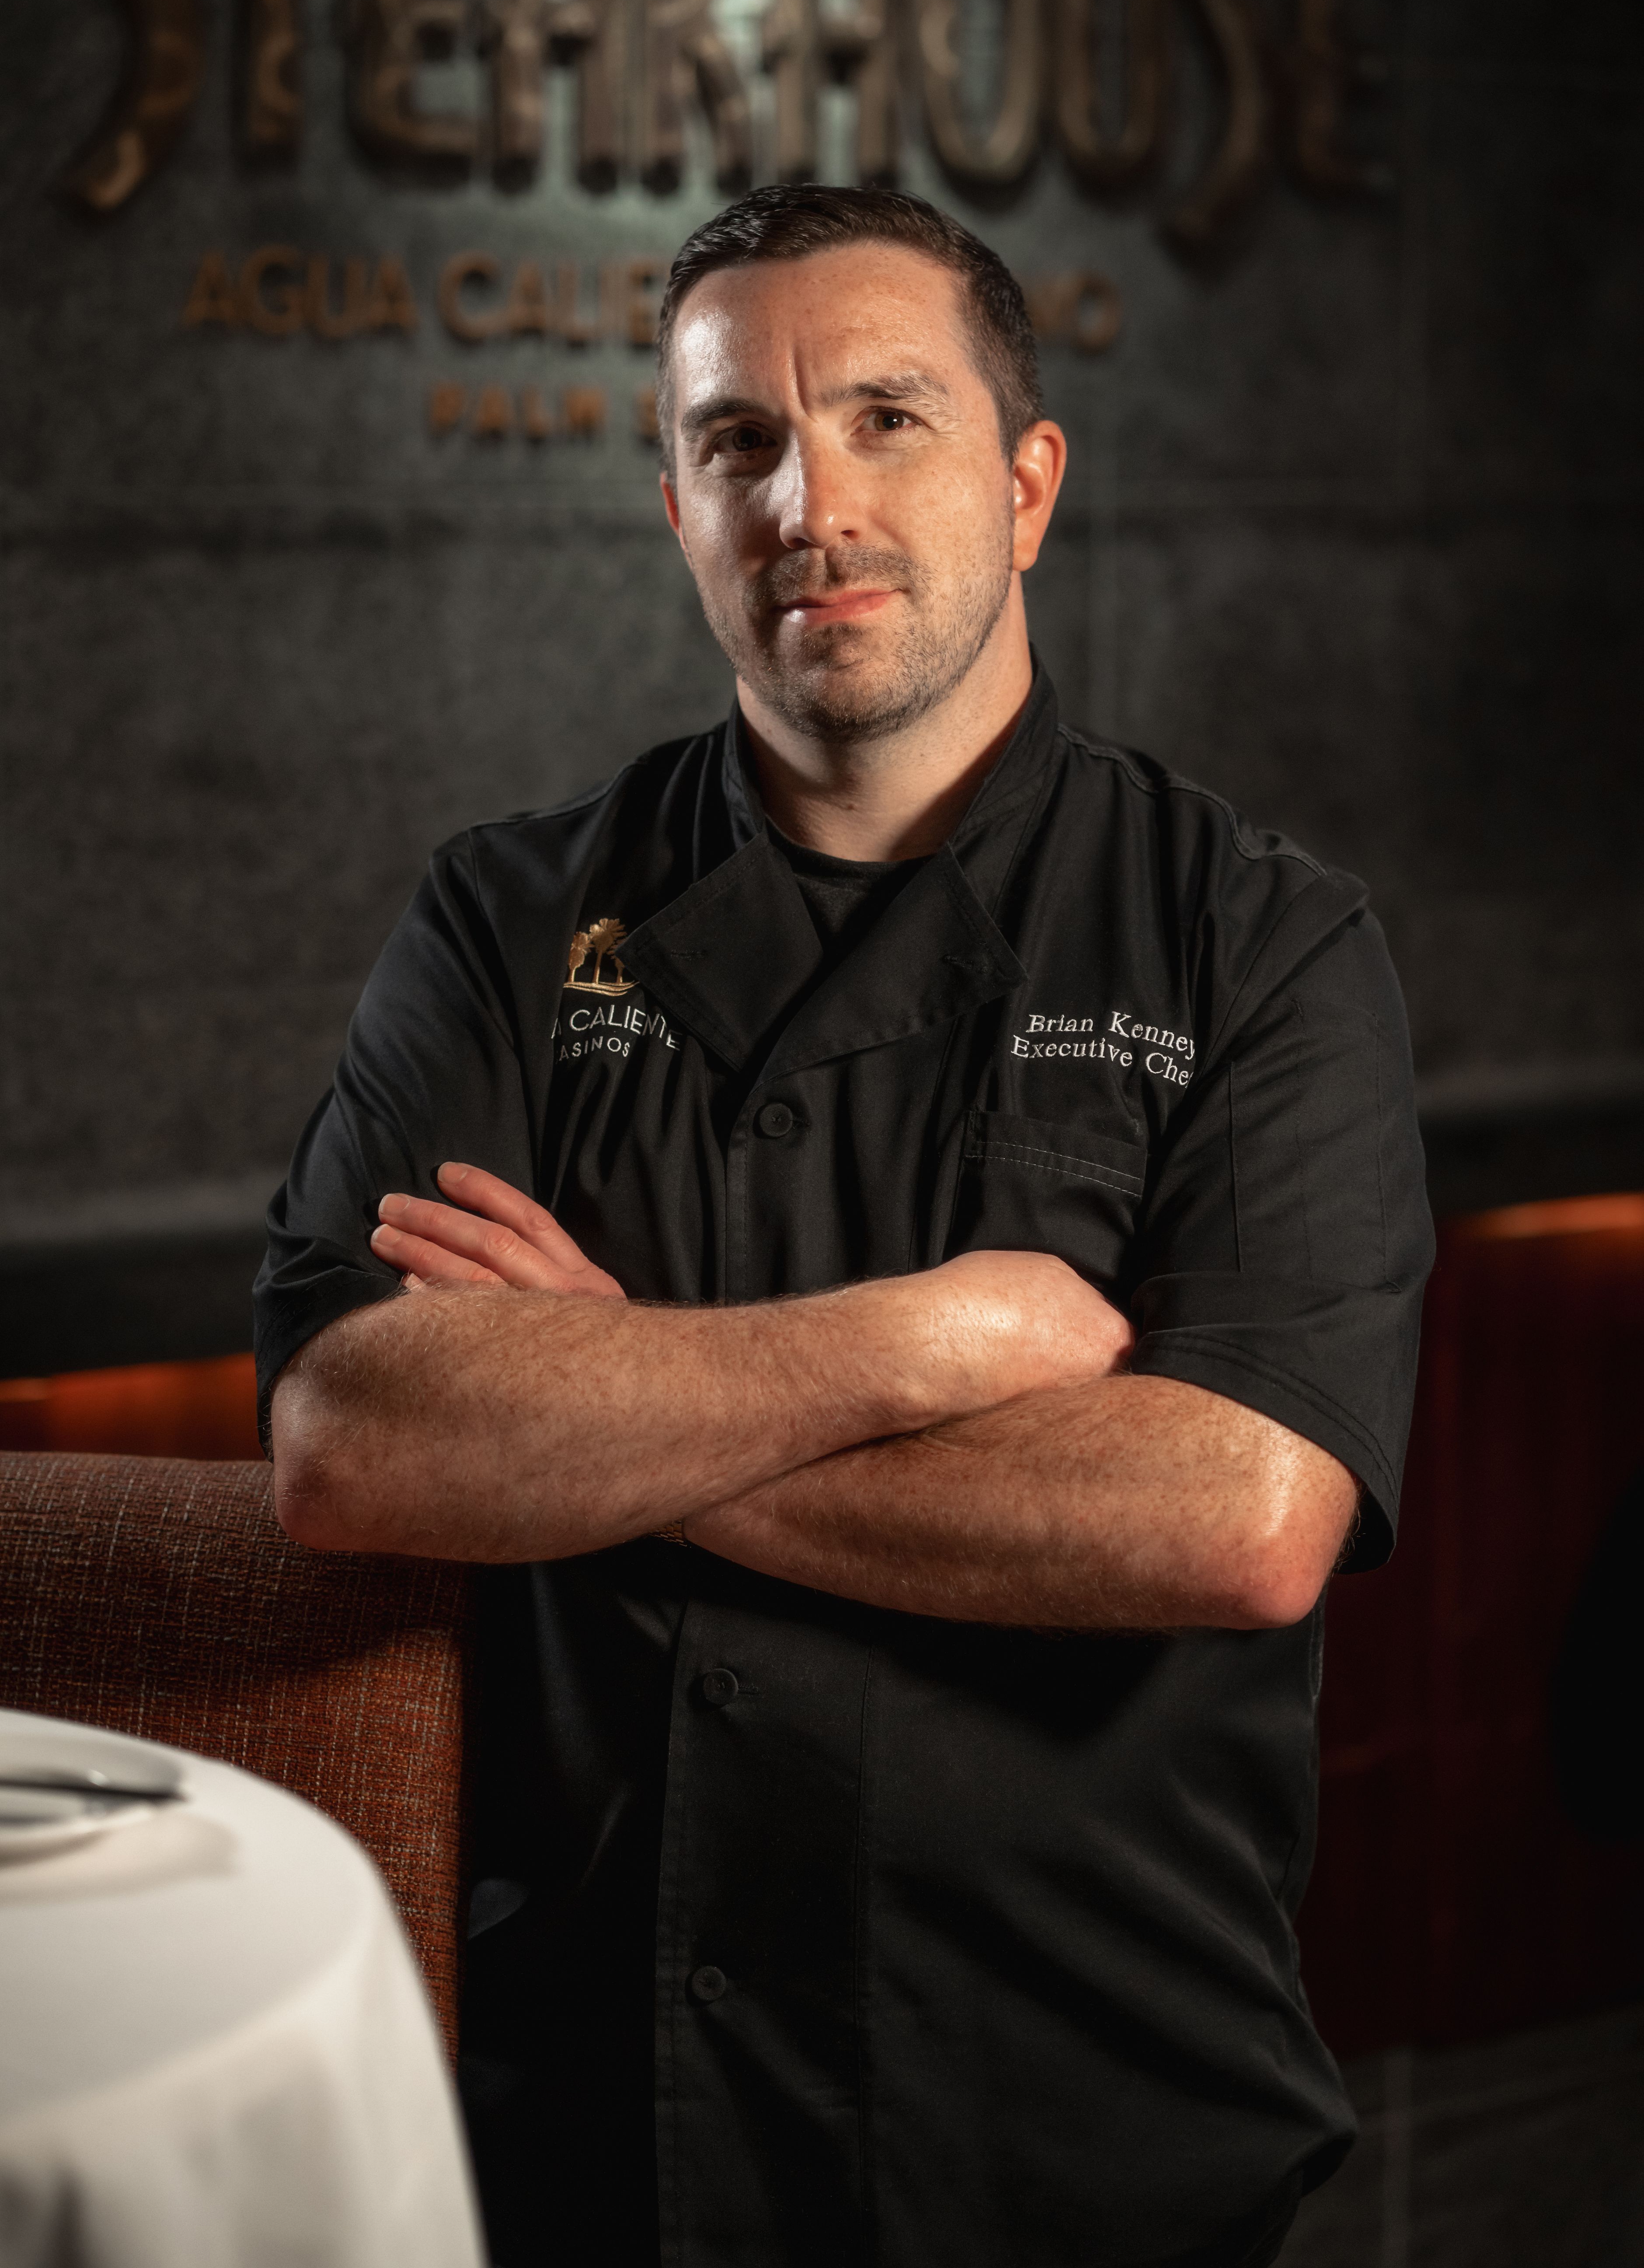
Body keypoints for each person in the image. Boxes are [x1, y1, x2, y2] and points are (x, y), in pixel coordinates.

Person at [258, 185, 1433, 2268]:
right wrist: (936, 1343)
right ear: (679, 507)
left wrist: (603, 1406)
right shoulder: (507, 919)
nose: (813, 504)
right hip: (592, 2127)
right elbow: (354, 1441)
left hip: (1081, 2115)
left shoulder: (1258, 940)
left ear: (1030, 482)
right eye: (741, 442)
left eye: (889, 416)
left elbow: (1237, 1515)